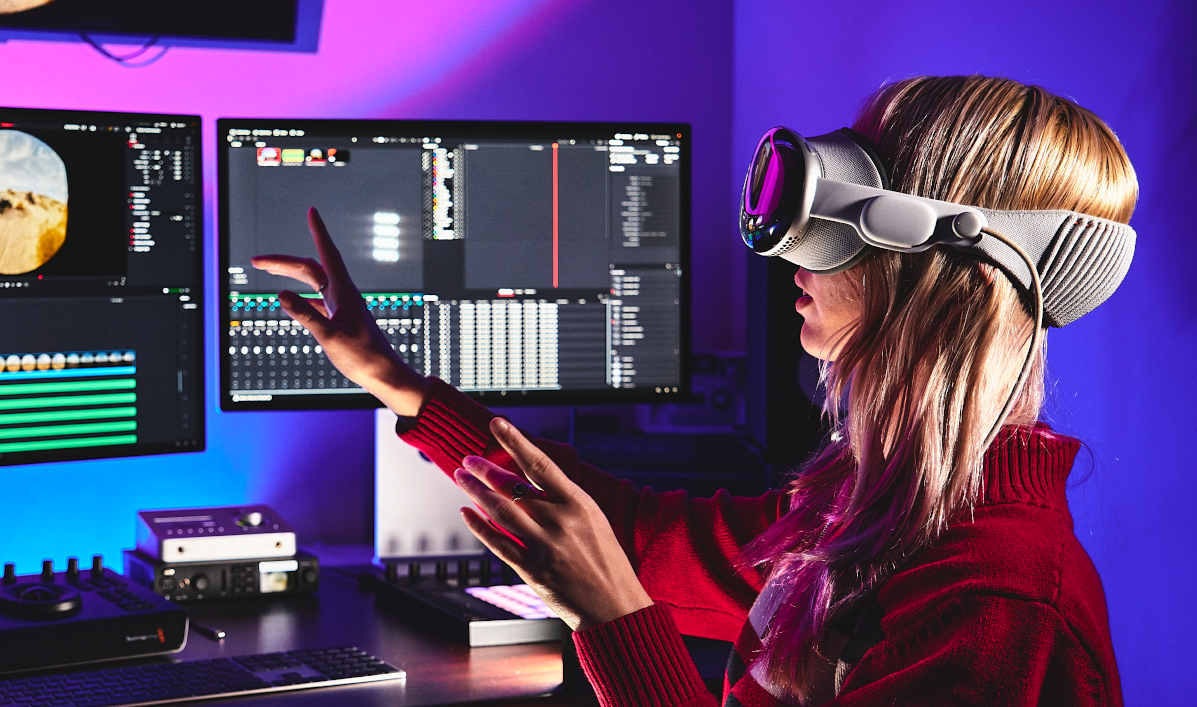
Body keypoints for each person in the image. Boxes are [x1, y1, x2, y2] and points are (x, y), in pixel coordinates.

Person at [253, 76, 1133, 706]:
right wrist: (397, 383)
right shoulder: (868, 508)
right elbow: (636, 536)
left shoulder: (995, 602)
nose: (793, 252)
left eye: (846, 209)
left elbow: (622, 568)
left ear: (935, 260)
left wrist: (611, 616)